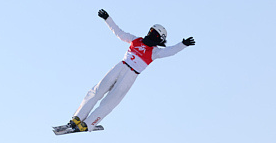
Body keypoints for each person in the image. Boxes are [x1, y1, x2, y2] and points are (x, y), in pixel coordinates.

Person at [64, 9, 196, 132]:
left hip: (131, 75)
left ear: (159, 38)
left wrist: (182, 44)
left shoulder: (155, 51)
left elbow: (170, 51)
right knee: (97, 90)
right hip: (120, 66)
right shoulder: (136, 40)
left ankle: (88, 123)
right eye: (150, 31)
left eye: (154, 33)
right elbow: (119, 32)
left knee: (111, 100)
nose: (150, 34)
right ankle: (77, 118)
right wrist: (107, 19)